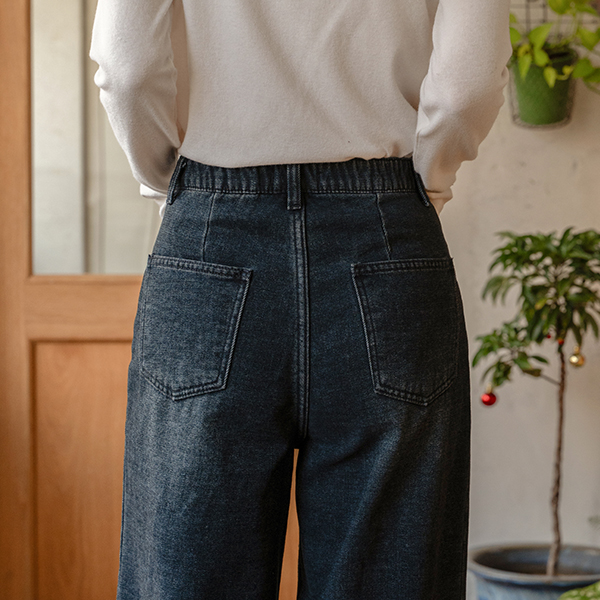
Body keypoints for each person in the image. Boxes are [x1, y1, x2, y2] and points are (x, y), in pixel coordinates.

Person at [89, 0, 511, 598]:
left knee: (186, 576)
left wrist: (177, 191)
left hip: (211, 233)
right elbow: (470, 83)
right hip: (387, 232)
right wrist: (419, 188)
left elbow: (127, 68)